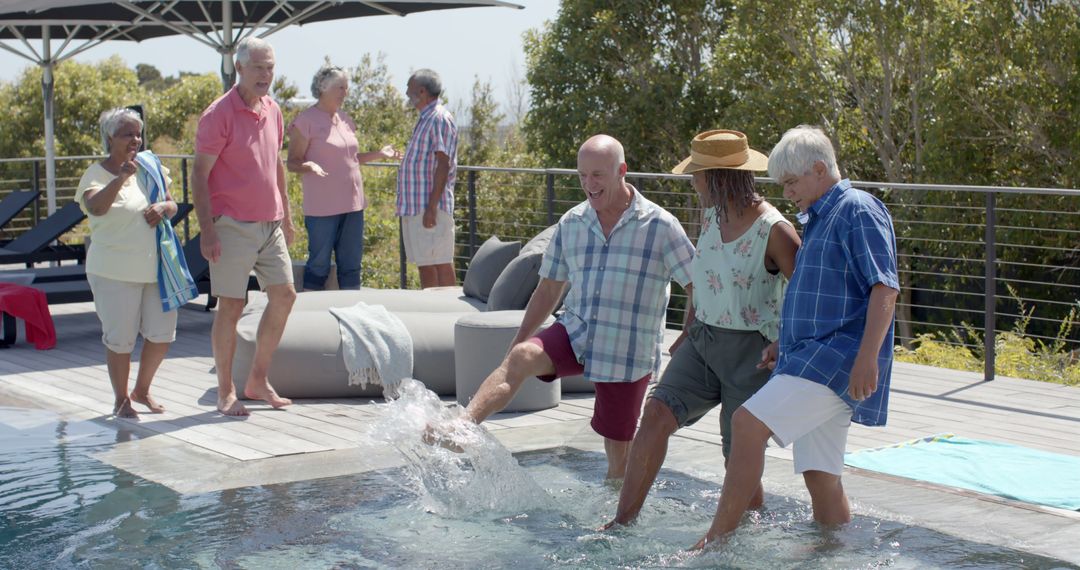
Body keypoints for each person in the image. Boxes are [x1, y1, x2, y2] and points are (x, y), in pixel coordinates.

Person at [442, 134, 696, 479]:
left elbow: (697, 284)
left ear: (621, 171)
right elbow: (548, 290)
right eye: (582, 176)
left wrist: (688, 334)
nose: (588, 185)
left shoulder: (661, 226)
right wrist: (519, 340)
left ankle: (616, 520)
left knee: (617, 456)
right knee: (519, 358)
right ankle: (462, 426)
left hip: (627, 349)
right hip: (576, 330)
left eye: (597, 175)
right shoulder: (573, 222)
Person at [694, 125, 899, 548]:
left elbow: (885, 287)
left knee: (747, 424)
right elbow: (818, 297)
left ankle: (715, 543)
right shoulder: (820, 217)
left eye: (791, 182)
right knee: (820, 477)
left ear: (819, 169)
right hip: (809, 354)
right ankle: (837, 553)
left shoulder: (858, 209)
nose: (786, 193)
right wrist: (783, 344)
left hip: (834, 359)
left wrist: (867, 359)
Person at [604, 130, 801, 528]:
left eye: (697, 174)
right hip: (702, 342)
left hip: (753, 355)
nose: (692, 182)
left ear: (717, 177)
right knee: (656, 413)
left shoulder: (775, 231)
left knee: (738, 456)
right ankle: (621, 523)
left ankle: (751, 534)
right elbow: (703, 274)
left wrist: (784, 342)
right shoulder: (711, 215)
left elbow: (804, 296)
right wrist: (688, 328)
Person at [192, 37, 297, 416]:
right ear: (239, 68)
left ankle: (257, 379)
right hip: (230, 224)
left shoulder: (273, 109)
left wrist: (287, 214)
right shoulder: (217, 114)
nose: (266, 75)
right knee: (232, 305)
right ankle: (225, 392)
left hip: (270, 224)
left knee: (284, 295)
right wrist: (207, 229)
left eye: (270, 67)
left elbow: (277, 165)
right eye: (258, 67)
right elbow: (199, 175)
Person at [76, 107, 197, 418]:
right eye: (128, 133)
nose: (136, 139)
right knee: (121, 338)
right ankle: (121, 399)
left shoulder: (150, 166)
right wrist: (120, 178)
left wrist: (163, 207)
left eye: (138, 133)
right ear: (110, 138)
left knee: (162, 334)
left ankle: (141, 390)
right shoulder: (97, 173)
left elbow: (172, 203)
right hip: (113, 270)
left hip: (156, 268)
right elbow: (96, 207)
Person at [286, 64, 400, 291]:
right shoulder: (305, 121)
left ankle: (352, 312)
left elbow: (352, 157)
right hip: (322, 207)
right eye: (340, 87)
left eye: (346, 88)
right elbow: (292, 163)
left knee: (351, 265)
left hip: (353, 205)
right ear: (323, 87)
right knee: (318, 265)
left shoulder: (346, 119)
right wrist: (308, 165)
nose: (345, 92)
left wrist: (380, 153)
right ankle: (312, 317)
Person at [397, 68, 459, 289]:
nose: (406, 92)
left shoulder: (439, 118)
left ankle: (442, 311)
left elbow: (444, 164)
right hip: (418, 207)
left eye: (409, 87)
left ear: (421, 91)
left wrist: (432, 207)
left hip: (429, 207)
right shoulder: (427, 118)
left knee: (438, 262)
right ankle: (434, 307)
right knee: (426, 263)